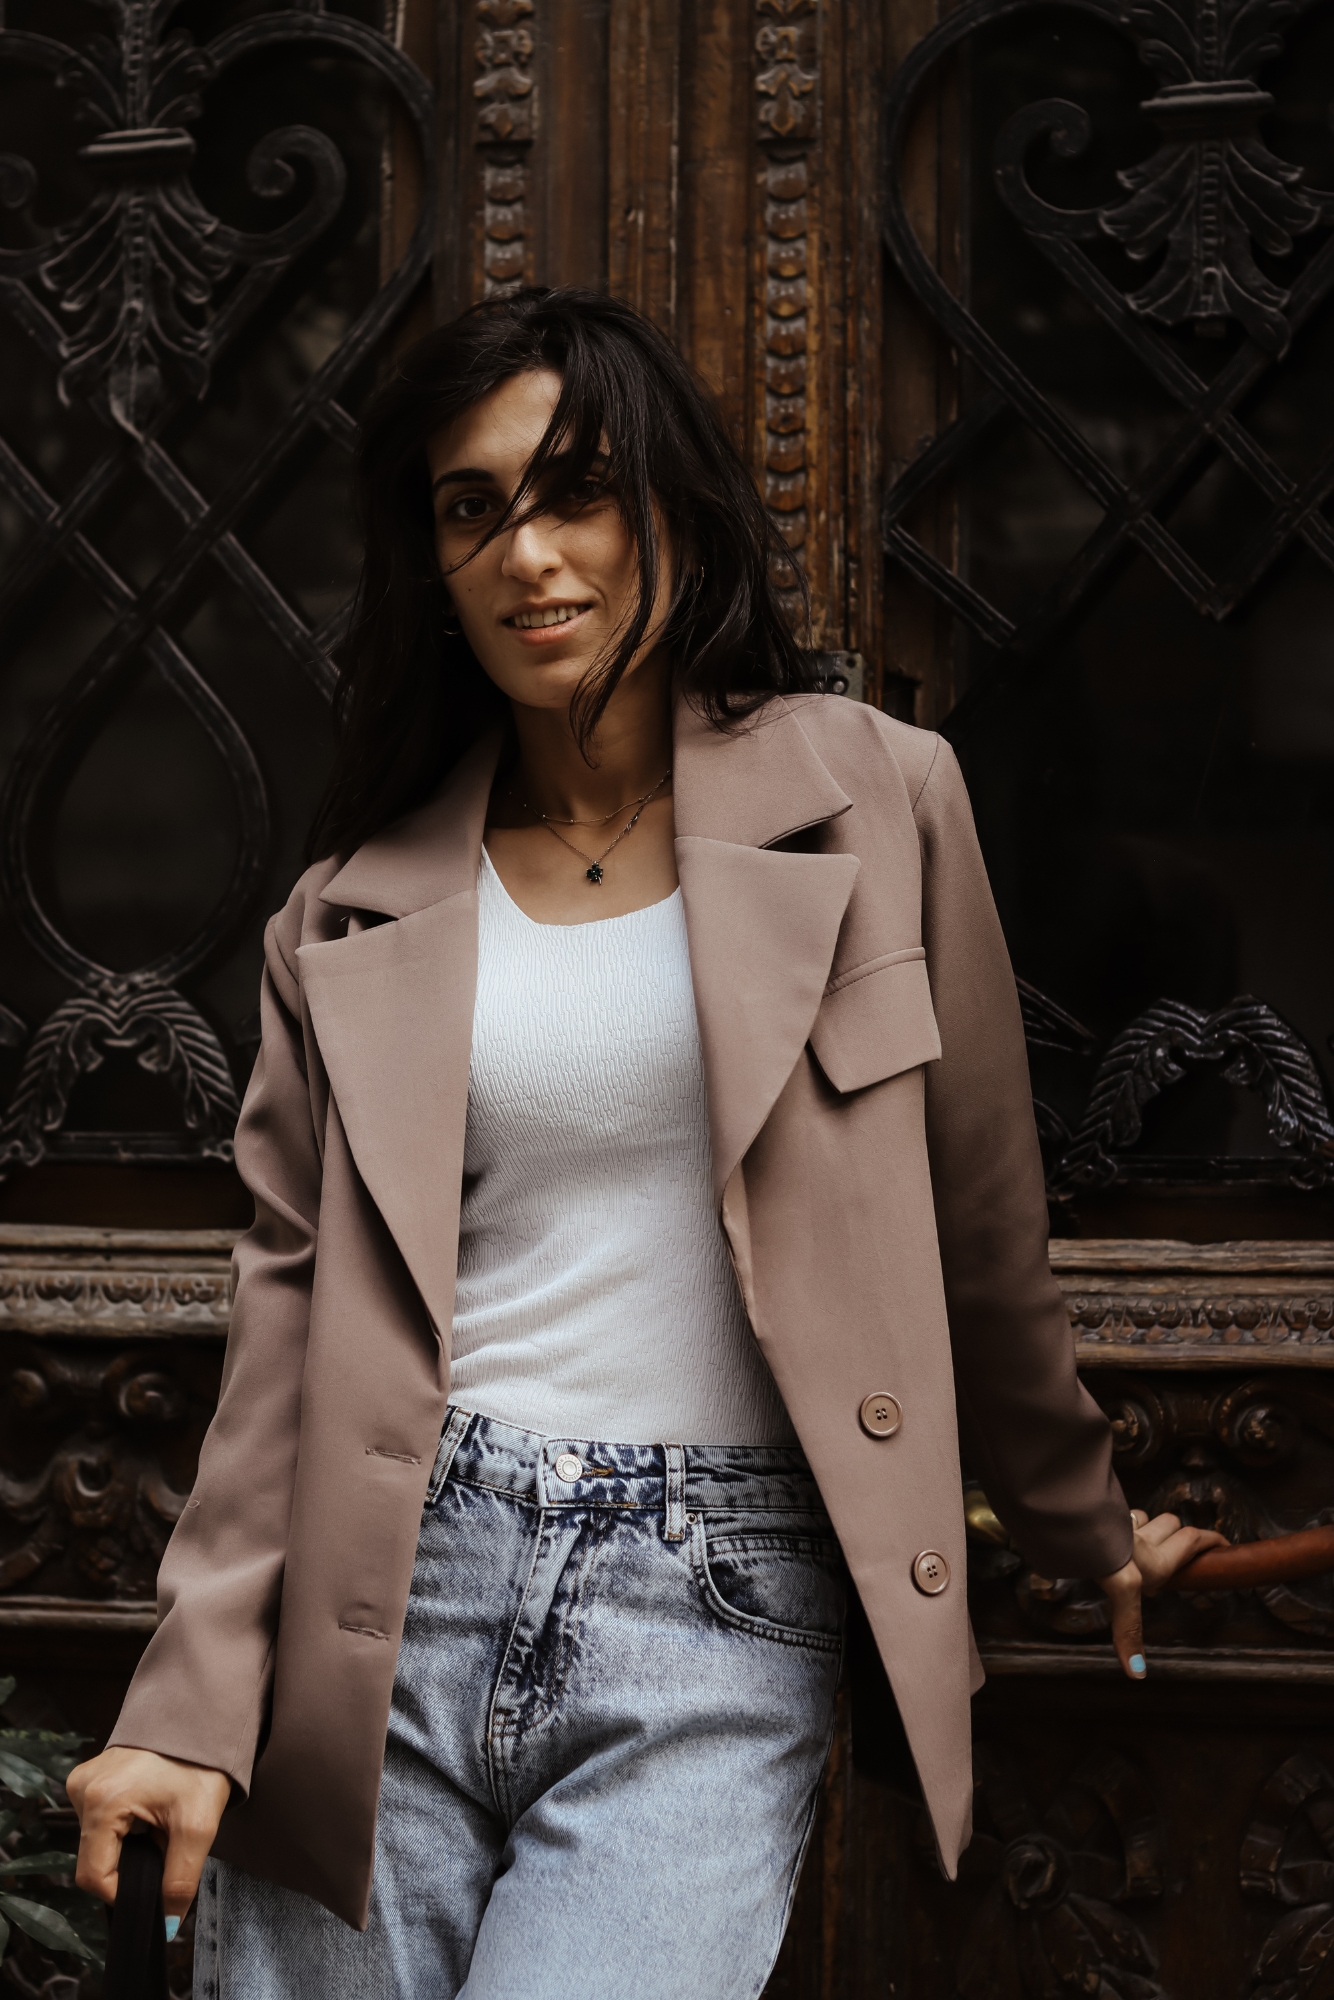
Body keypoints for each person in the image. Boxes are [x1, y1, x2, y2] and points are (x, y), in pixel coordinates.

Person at [65, 288, 1224, 1998]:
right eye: (475, 509)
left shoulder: (875, 797)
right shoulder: (351, 907)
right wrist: (186, 1702)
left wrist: (1080, 1526)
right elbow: (286, 1335)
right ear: (434, 566)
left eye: (578, 490)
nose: (530, 554)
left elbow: (979, 1225)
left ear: (669, 508)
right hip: (393, 1589)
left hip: (720, 1610)